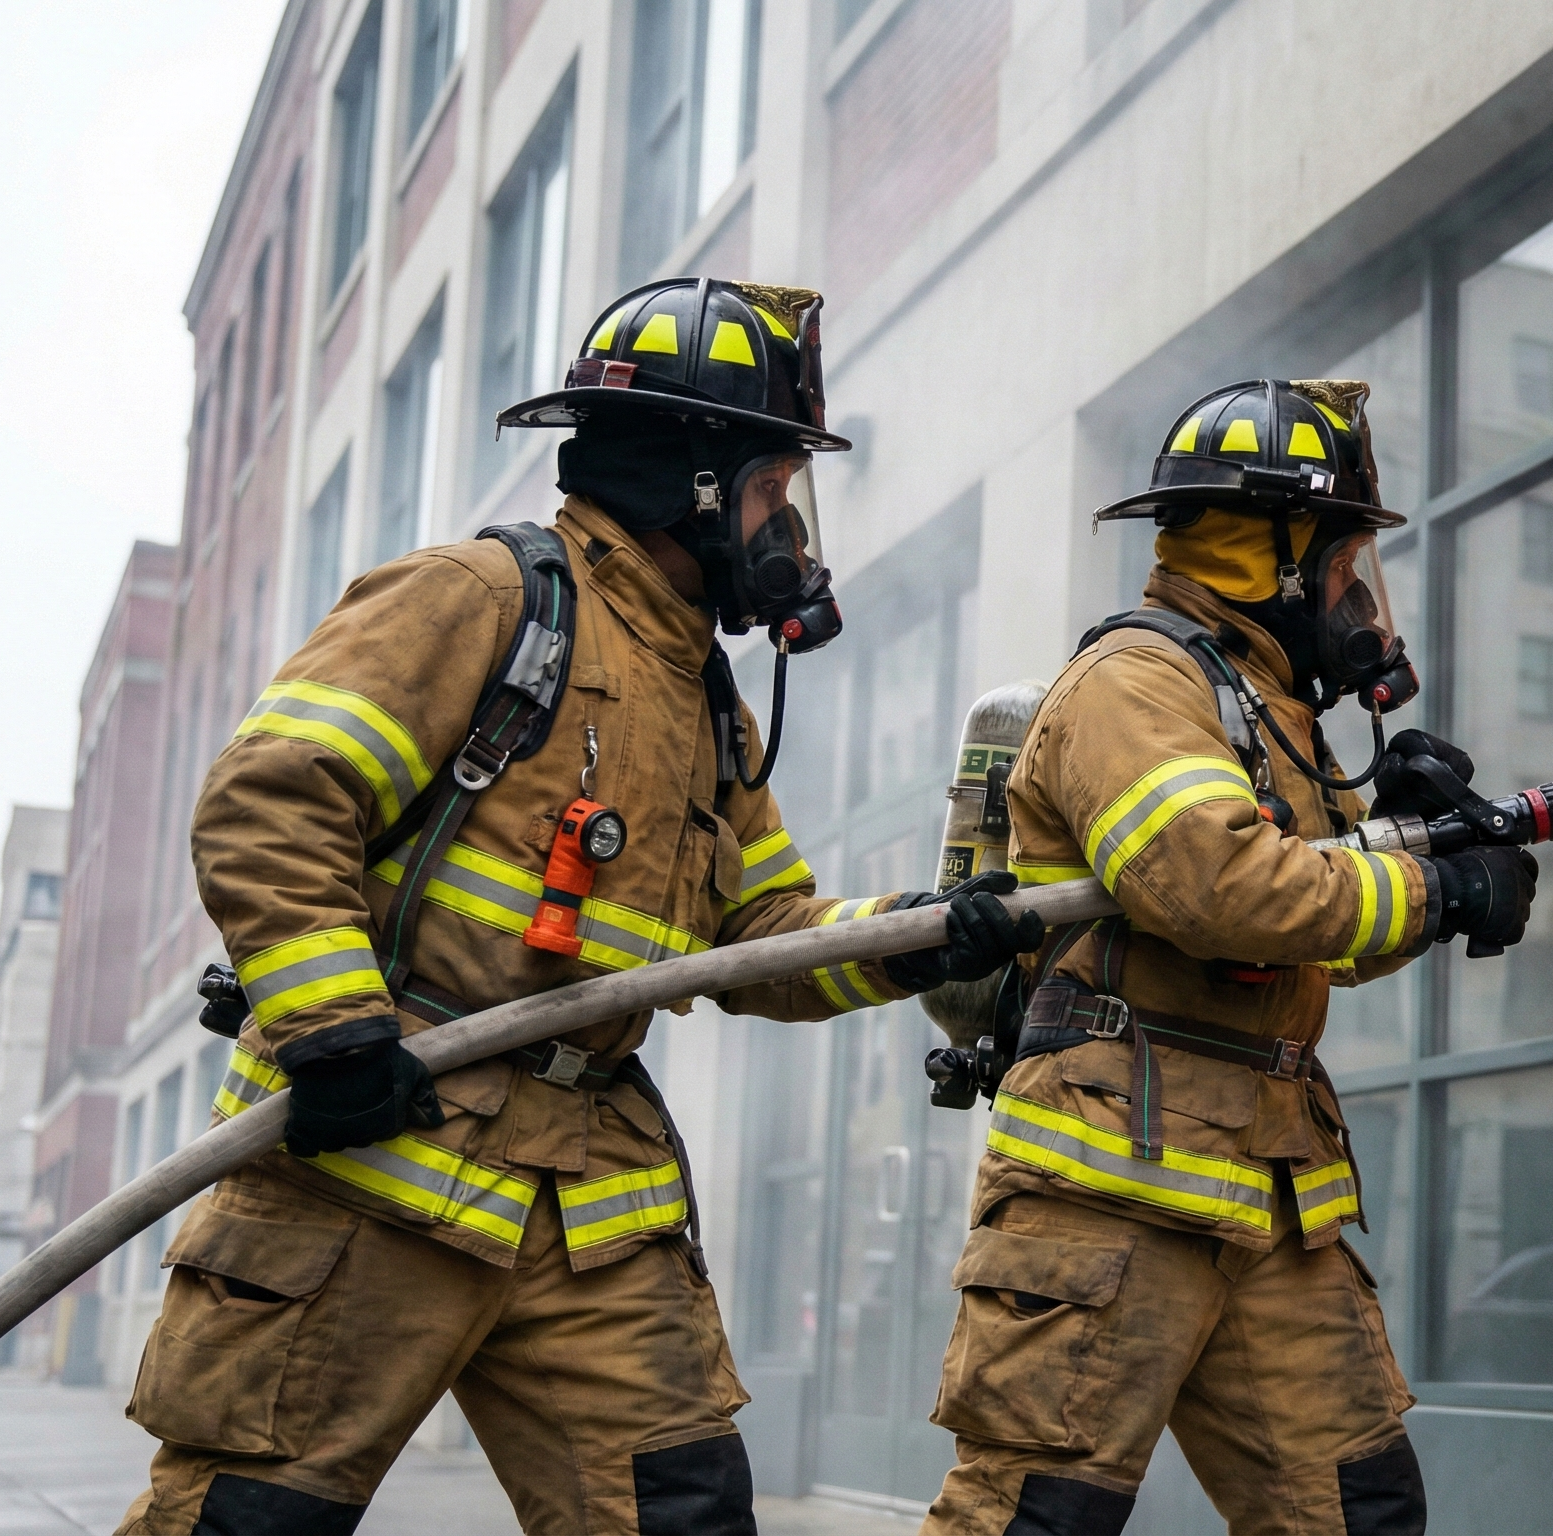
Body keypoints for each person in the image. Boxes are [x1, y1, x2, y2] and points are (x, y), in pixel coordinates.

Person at [117, 278, 1042, 1536]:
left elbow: (760, 942)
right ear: (695, 480)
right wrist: (334, 1029)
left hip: (588, 1207)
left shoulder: (707, 702)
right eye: (776, 489)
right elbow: (271, 799)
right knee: (246, 1523)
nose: (790, 530)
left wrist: (928, 930)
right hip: (380, 1159)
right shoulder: (481, 599)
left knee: (682, 1514)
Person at [919, 379, 1538, 1536]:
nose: (1362, 602)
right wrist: (1427, 886)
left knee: (1355, 1512)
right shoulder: (1136, 683)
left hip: (1271, 1197)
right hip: (1111, 1193)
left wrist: (1409, 851)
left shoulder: (1259, 709)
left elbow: (1323, 942)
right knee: (1034, 1518)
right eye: (1348, 565)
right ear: (1278, 556)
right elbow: (1215, 885)